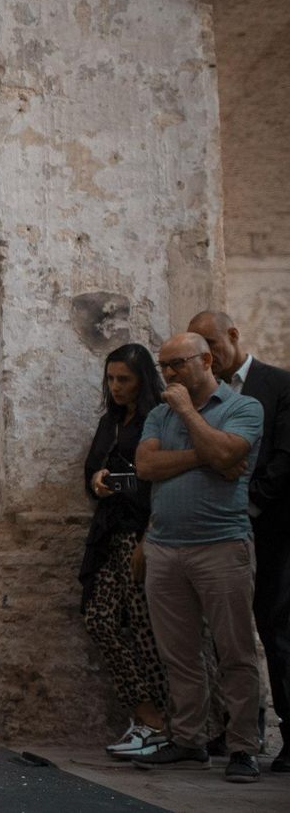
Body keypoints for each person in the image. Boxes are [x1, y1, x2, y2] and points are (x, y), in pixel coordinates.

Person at [133, 332, 264, 783]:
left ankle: (244, 746)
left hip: (222, 546)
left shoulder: (243, 408)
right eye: (163, 367)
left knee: (236, 652)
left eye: (177, 364)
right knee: (180, 654)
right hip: (166, 549)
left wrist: (190, 414)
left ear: (207, 360)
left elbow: (230, 452)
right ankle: (188, 740)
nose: (168, 374)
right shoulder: (157, 414)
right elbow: (147, 467)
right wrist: (204, 456)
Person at [190, 310, 290, 772]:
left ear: (233, 335)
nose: (208, 356)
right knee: (227, 637)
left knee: (276, 630)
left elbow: (284, 459)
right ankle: (238, 730)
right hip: (217, 535)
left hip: (270, 531)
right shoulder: (202, 396)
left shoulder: (279, 385)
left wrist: (248, 506)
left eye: (212, 343)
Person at [80, 344, 170, 757]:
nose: (115, 387)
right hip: (109, 535)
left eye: (124, 380)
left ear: (142, 380)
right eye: (111, 379)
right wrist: (99, 477)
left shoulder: (158, 421)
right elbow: (93, 473)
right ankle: (147, 714)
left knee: (146, 628)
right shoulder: (110, 422)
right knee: (100, 619)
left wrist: (114, 482)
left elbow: (153, 480)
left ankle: (165, 724)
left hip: (142, 534)